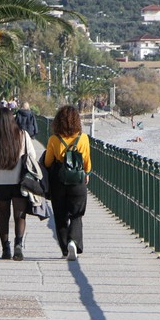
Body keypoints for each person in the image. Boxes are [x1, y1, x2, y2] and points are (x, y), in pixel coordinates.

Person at [0, 109, 36, 260]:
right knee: (20, 215)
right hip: (19, 181)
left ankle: (5, 248)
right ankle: (18, 245)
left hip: (1, 183)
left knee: (3, 215)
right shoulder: (23, 135)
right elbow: (32, 156)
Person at [44, 105, 92, 260]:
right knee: (77, 214)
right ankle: (74, 241)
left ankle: (65, 248)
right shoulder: (83, 138)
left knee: (60, 215)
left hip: (59, 180)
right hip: (78, 180)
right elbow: (87, 163)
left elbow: (47, 161)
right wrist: (87, 173)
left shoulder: (54, 139)